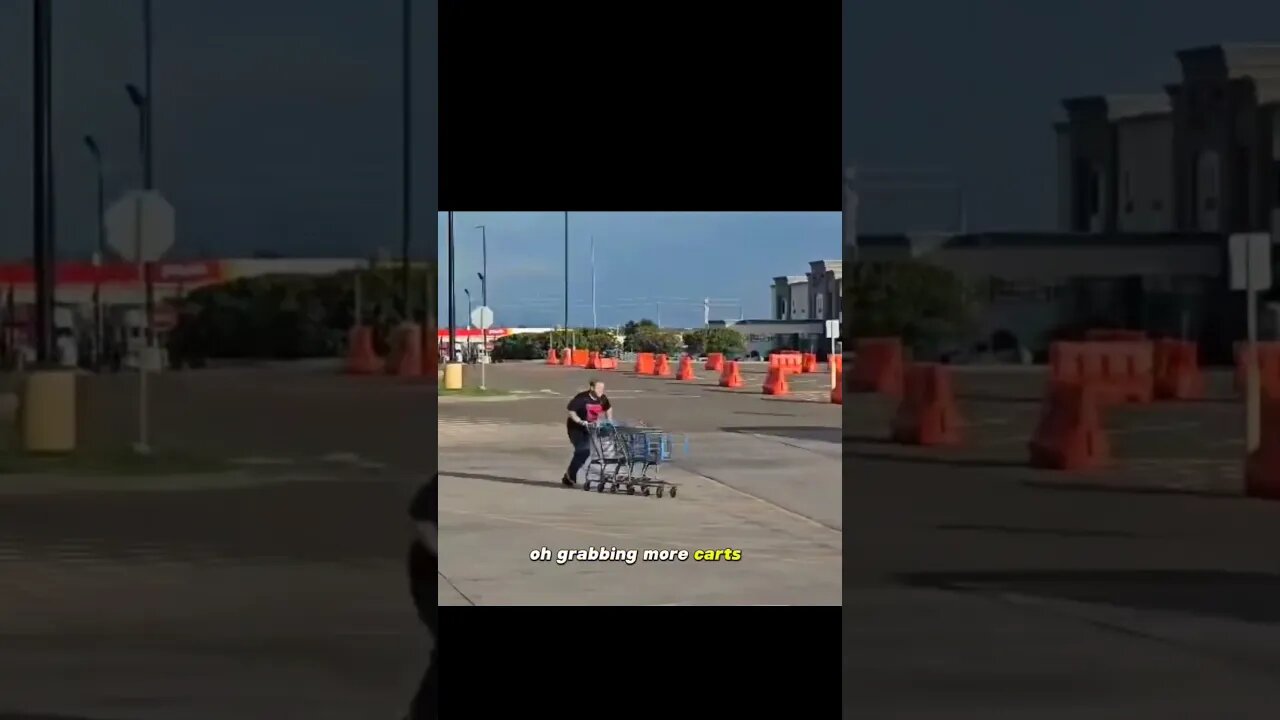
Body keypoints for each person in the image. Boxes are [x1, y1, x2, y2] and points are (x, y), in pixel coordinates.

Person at [562, 378, 613, 486]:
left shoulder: (602, 399)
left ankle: (570, 475)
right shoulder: (582, 398)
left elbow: (608, 408)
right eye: (599, 388)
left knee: (591, 451)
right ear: (592, 388)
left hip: (591, 428)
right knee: (583, 450)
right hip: (576, 429)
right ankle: (570, 474)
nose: (601, 391)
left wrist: (609, 421)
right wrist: (581, 422)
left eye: (602, 388)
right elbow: (571, 411)